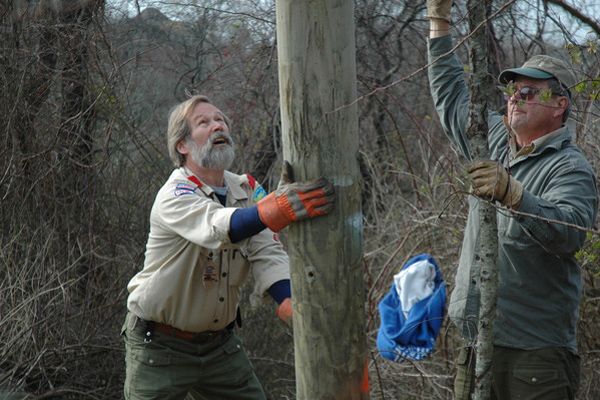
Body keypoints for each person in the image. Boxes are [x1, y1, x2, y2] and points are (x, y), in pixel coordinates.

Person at [425, 1, 599, 399]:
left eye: (529, 91)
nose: (515, 98)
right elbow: (450, 95)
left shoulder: (570, 168)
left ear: (560, 105)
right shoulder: (491, 144)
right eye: (512, 90)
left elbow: (569, 232)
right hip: (475, 343)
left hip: (534, 356)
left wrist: (515, 195)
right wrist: (439, 23)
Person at [121, 94, 335, 400]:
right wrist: (270, 212)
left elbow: (265, 250)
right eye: (203, 122)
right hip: (160, 345)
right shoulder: (174, 193)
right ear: (183, 145)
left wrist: (285, 299)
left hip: (218, 345)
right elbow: (218, 226)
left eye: (220, 119)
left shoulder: (245, 188)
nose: (217, 126)